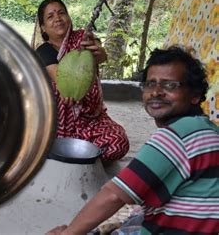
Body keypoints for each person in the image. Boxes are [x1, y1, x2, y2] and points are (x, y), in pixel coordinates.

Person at [47, 46, 219, 234]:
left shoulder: (176, 137)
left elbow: (114, 196)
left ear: (195, 95)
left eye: (170, 85)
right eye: (150, 84)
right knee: (137, 213)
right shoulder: (207, 130)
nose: (156, 92)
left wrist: (69, 233)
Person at [35, 0, 129, 161]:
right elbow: (62, 80)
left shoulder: (83, 38)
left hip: (91, 119)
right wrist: (70, 93)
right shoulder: (43, 51)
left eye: (61, 13)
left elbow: (100, 55)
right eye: (50, 16)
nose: (57, 18)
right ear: (43, 27)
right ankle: (80, 157)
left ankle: (79, 159)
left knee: (119, 142)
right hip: (57, 122)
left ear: (69, 17)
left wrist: (98, 53)